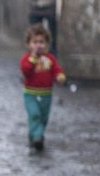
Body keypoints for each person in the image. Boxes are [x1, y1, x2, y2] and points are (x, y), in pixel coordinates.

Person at [20, 24, 66, 152]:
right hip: (30, 93)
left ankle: (34, 135)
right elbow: (25, 70)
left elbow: (56, 69)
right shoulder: (26, 58)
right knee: (34, 114)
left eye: (41, 42)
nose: (38, 45)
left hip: (46, 94)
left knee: (43, 118)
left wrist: (60, 76)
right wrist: (33, 59)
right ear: (29, 44)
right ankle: (38, 137)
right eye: (35, 42)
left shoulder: (50, 59)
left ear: (46, 44)